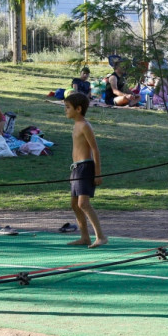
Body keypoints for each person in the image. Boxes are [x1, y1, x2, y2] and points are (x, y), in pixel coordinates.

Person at [63, 92, 107, 248]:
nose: (65, 110)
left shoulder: (85, 126)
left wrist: (98, 173)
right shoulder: (76, 125)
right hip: (76, 169)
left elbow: (95, 150)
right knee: (75, 204)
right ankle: (84, 237)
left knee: (83, 204)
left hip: (86, 167)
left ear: (79, 109)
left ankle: (100, 236)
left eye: (68, 107)